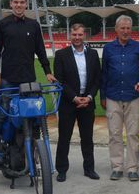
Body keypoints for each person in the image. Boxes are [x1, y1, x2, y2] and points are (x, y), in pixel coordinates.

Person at [0, 0, 56, 163]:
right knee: (2, 116)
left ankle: (34, 151)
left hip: (28, 82)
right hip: (8, 81)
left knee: (35, 118)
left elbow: (41, 51)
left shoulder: (34, 25)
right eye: (15, 2)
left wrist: (48, 72)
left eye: (22, 2)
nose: (18, 5)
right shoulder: (2, 25)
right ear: (10, 3)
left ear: (26, 4)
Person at [100, 15, 139, 181]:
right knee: (114, 134)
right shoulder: (108, 48)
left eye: (128, 28)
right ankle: (117, 167)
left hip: (133, 96)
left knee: (133, 134)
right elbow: (104, 73)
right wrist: (102, 96)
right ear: (116, 29)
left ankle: (133, 168)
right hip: (112, 95)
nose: (126, 31)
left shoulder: (138, 47)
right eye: (123, 28)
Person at [54, 23, 101, 182]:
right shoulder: (61, 55)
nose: (77, 38)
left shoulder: (93, 54)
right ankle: (61, 169)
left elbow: (96, 79)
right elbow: (60, 81)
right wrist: (74, 98)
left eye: (80, 35)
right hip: (68, 103)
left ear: (84, 36)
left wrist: (89, 97)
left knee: (87, 138)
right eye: (74, 35)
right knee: (64, 138)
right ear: (70, 36)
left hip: (87, 102)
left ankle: (89, 169)